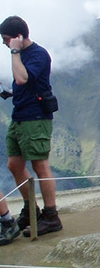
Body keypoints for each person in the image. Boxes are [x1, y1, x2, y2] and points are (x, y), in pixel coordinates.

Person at [0, 15, 62, 240]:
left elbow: (22, 78)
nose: (5, 44)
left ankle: (51, 216)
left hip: (36, 118)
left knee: (40, 165)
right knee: (14, 164)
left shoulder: (38, 54)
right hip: (20, 117)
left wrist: (15, 52)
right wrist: (8, 92)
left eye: (7, 40)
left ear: (18, 37)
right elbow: (20, 85)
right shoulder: (23, 54)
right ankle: (31, 210)